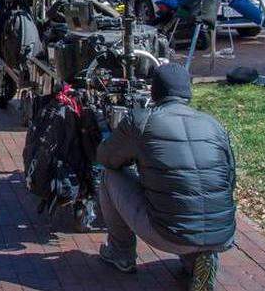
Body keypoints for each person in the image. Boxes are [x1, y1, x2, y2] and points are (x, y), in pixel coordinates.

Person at [96, 64, 236, 291]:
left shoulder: (140, 121)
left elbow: (106, 158)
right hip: (222, 231)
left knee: (109, 176)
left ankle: (120, 253)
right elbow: (230, 179)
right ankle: (198, 257)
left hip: (168, 232)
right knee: (188, 197)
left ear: (155, 91)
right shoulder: (214, 125)